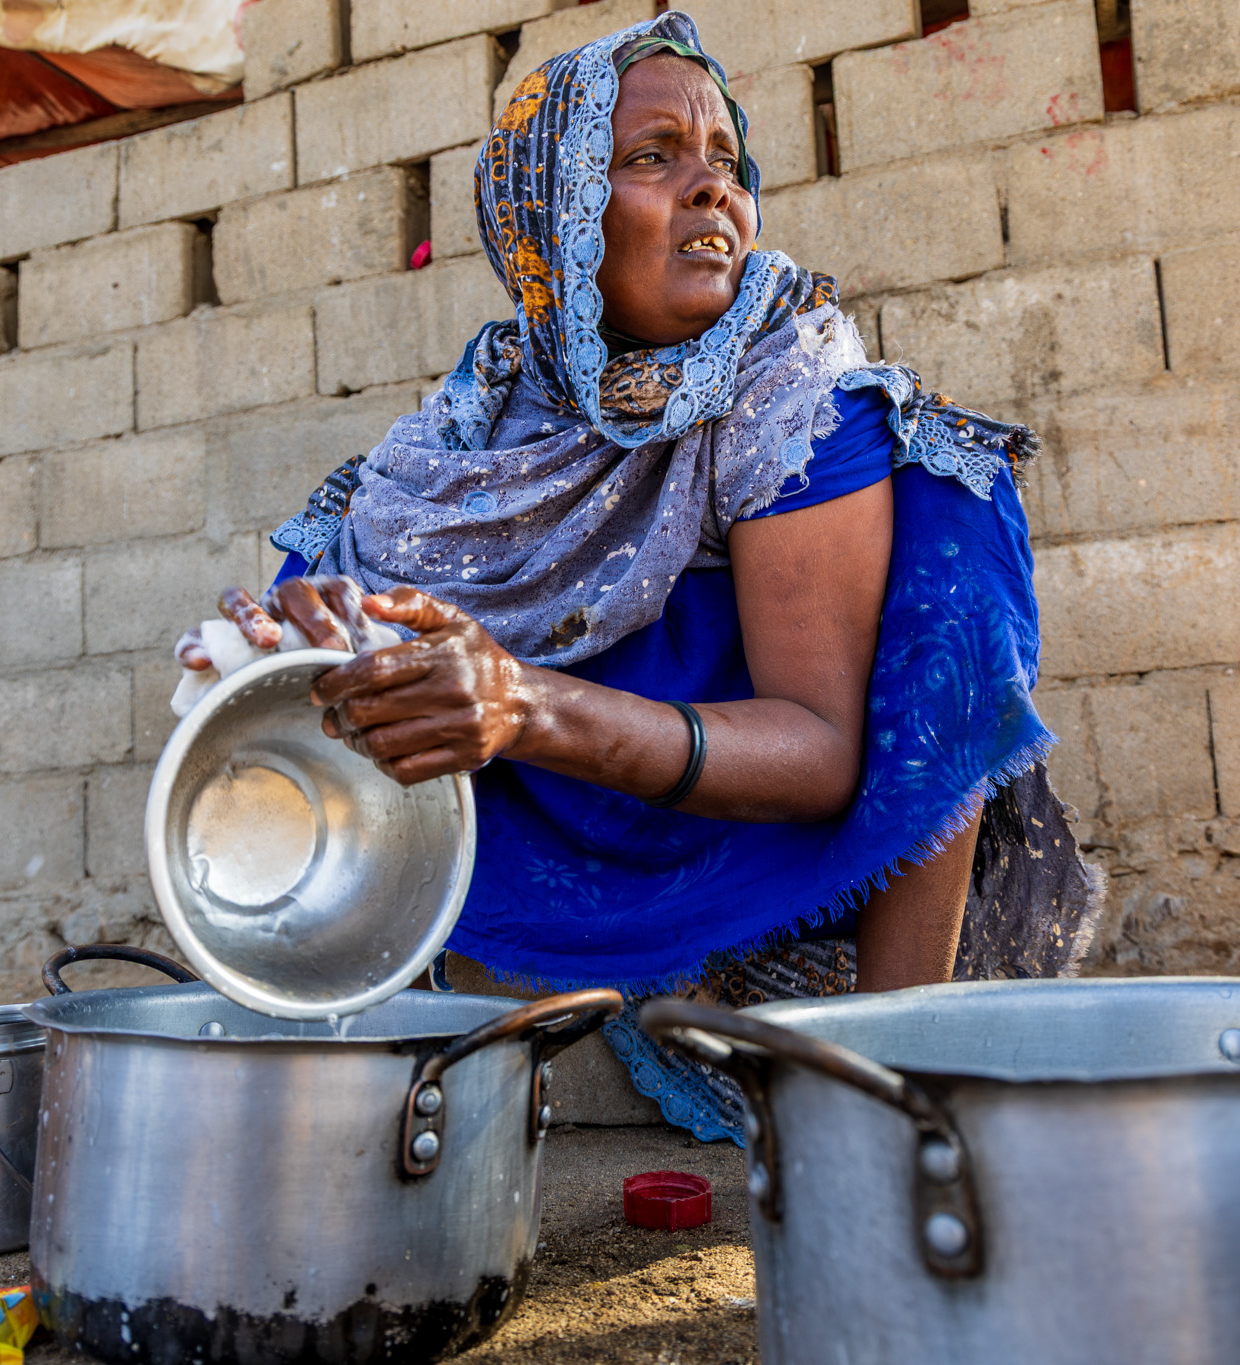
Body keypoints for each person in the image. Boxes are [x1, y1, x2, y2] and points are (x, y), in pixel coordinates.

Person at [177, 12, 1102, 1141]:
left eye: (725, 160)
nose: (710, 188)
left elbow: (819, 754)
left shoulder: (790, 386)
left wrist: (524, 705)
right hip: (574, 855)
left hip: (771, 856)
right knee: (330, 595)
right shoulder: (458, 447)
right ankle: (553, 1000)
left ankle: (889, 1066)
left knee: (949, 535)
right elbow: (339, 665)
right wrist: (300, 656)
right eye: (650, 156)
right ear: (552, 216)